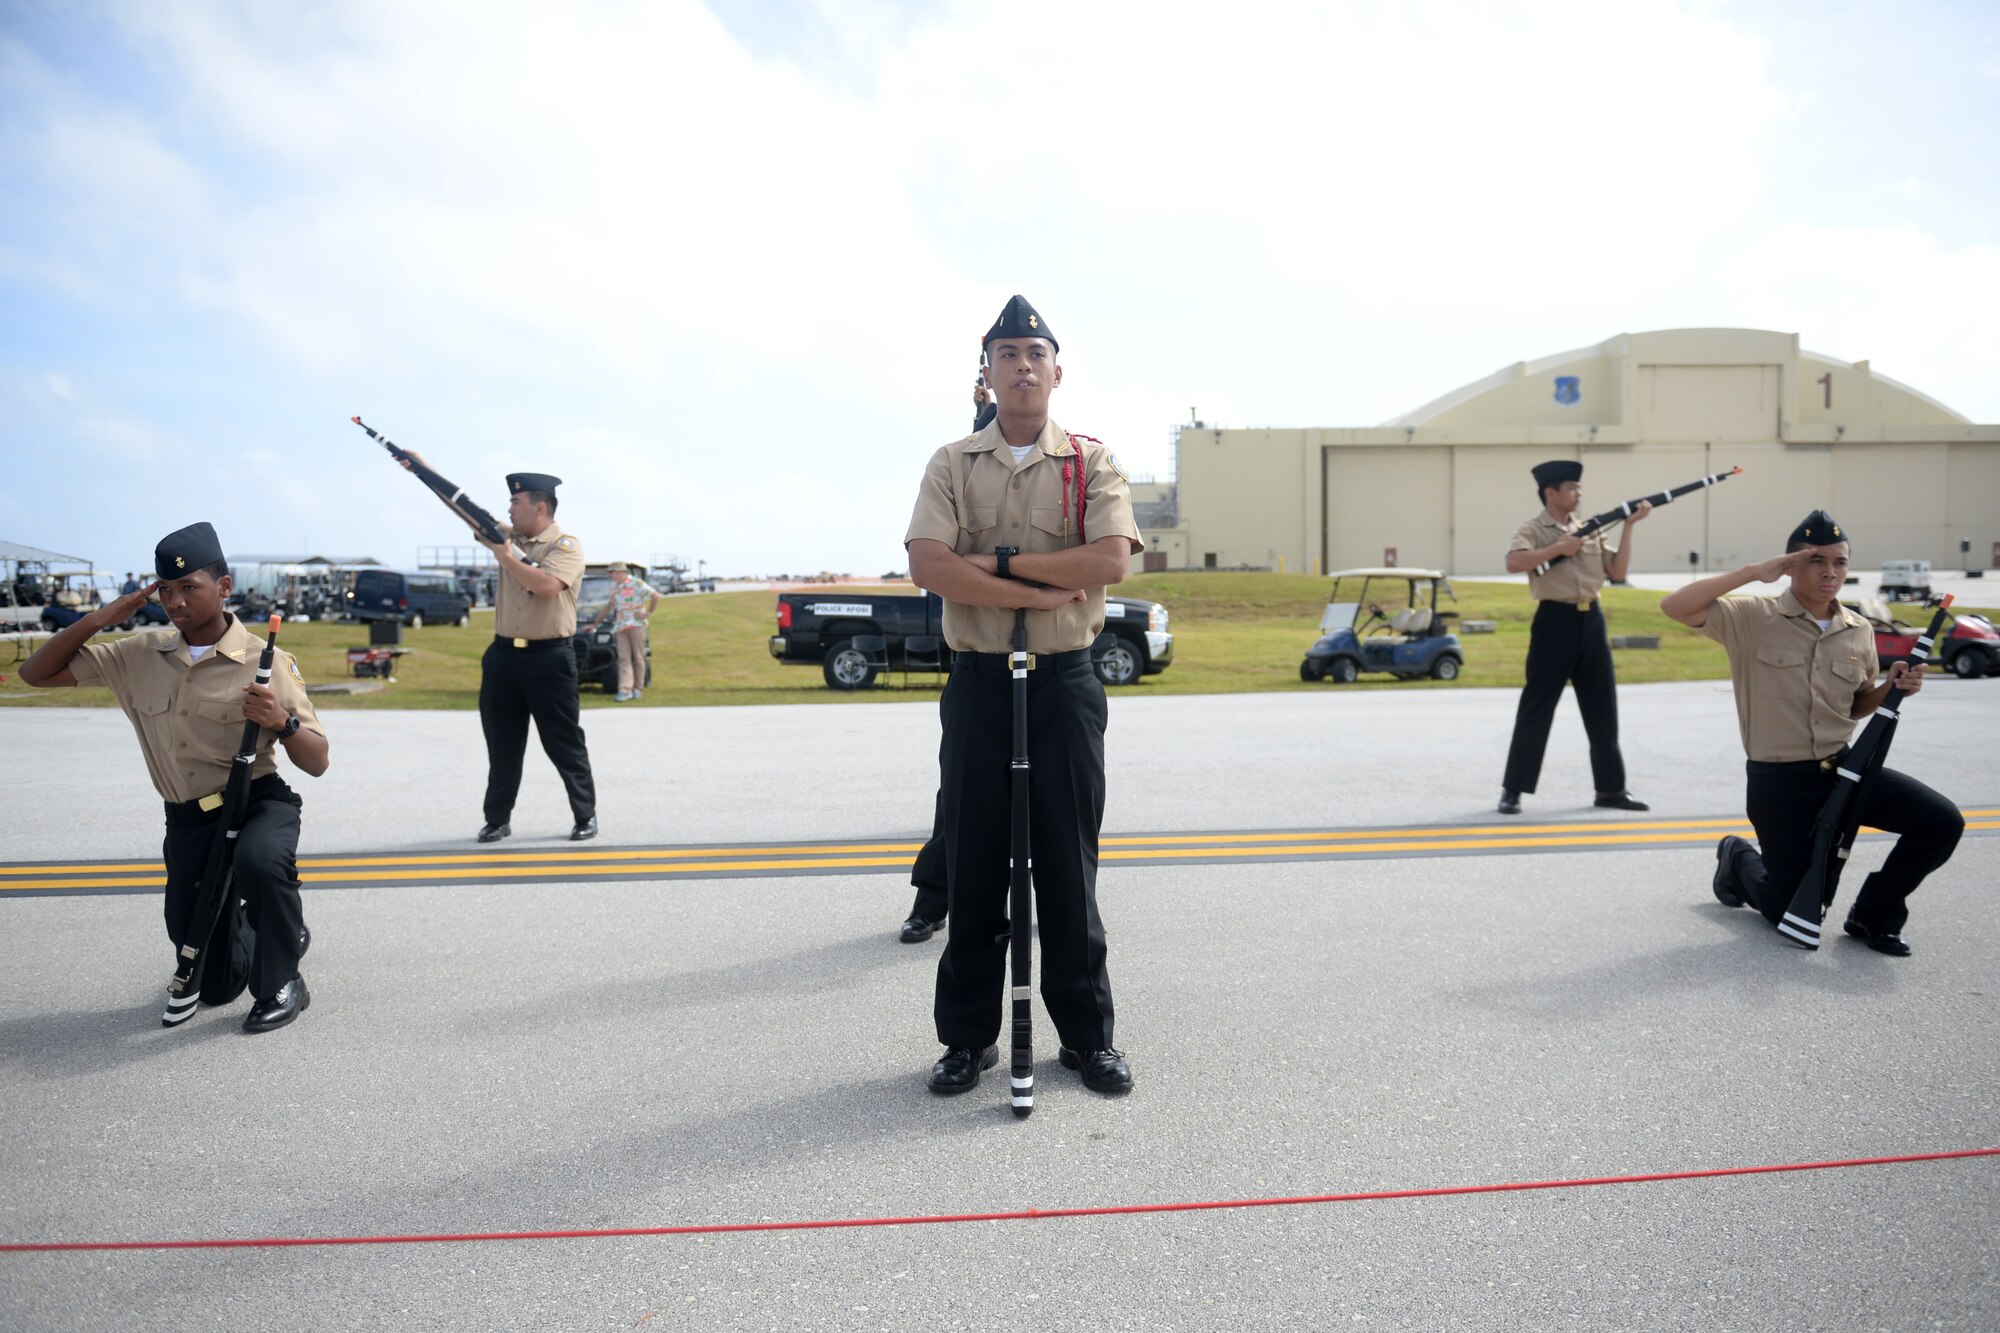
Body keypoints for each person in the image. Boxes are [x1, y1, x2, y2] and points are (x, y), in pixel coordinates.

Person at [904, 294, 1142, 1097]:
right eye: (1006, 354)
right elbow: (929, 565)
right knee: (974, 862)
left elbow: (1108, 558)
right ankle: (966, 1039)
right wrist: (1037, 582)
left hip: (1063, 685)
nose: (1021, 366)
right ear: (988, 371)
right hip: (977, 683)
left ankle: (1086, 1037)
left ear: (1056, 370)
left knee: (1067, 863)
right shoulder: (950, 463)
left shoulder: (1089, 464)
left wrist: (999, 573)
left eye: (1034, 354)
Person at [18, 522, 330, 1031]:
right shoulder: (138, 654)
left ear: (224, 587)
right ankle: (274, 928)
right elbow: (35, 674)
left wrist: (283, 722)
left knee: (259, 861)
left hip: (256, 802)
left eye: (189, 588)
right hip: (188, 821)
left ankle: (283, 981)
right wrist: (101, 617)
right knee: (214, 986)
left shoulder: (266, 660)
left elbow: (316, 761)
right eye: (166, 590)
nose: (175, 601)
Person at [1660, 511, 1963, 955]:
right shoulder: (1750, 616)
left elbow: (1856, 704)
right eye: (1816, 560)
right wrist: (1752, 573)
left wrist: (1889, 689)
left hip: (1845, 771)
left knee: (1941, 823)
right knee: (1788, 911)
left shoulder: (1858, 630)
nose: (1830, 571)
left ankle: (1873, 915)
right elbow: (1675, 606)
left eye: (1840, 562)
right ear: (1791, 565)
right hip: (1780, 782)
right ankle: (1736, 859)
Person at [400, 459, 597, 842]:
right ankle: (497, 819)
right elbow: (465, 510)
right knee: (502, 745)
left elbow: (546, 586)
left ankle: (584, 814)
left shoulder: (565, 546)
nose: (509, 509)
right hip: (504, 656)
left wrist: (505, 555)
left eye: (516, 501)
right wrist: (422, 470)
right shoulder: (508, 537)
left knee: (564, 742)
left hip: (549, 658)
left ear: (540, 507)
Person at [898, 374, 1002, 944]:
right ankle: (933, 901)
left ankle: (1028, 908)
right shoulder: (959, 467)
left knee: (1039, 807)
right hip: (978, 658)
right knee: (959, 800)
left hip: (1044, 659)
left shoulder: (1057, 464)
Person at [1499, 460, 1651, 815]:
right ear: (1550, 493)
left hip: (1592, 621)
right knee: (1536, 708)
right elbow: (1513, 562)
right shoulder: (1533, 528)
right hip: (1554, 621)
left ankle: (1611, 789)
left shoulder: (1592, 529)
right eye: (1571, 488)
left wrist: (1629, 528)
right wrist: (1557, 549)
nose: (1578, 494)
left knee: (1603, 708)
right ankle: (1513, 790)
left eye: (1579, 488)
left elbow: (1618, 571)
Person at [586, 562, 660, 701]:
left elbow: (655, 596)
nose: (610, 575)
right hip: (620, 626)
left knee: (638, 657)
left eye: (611, 572)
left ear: (620, 572)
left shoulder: (637, 583)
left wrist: (648, 613)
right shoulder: (615, 587)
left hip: (637, 625)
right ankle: (625, 689)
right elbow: (608, 607)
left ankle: (637, 688)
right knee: (623, 658)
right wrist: (595, 624)